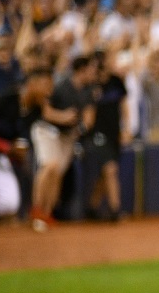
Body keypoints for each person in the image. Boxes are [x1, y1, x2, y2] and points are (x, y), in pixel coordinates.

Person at [0, 68, 52, 220]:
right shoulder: (6, 98)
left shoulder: (35, 110)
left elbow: (21, 143)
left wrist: (19, 151)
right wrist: (3, 146)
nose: (48, 92)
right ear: (32, 84)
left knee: (8, 205)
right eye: (46, 86)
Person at [32, 55, 96, 231]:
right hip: (48, 131)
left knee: (57, 173)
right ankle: (37, 209)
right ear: (81, 70)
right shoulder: (61, 86)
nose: (94, 72)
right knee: (49, 166)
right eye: (90, 69)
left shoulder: (88, 90)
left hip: (68, 136)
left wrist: (79, 129)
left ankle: (47, 212)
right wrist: (64, 117)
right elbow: (46, 112)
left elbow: (89, 118)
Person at [82, 51, 128, 222]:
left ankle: (91, 208)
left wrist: (126, 129)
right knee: (110, 169)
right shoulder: (91, 87)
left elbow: (124, 106)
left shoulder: (116, 82)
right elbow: (88, 114)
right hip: (97, 135)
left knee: (105, 174)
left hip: (114, 133)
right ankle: (115, 210)